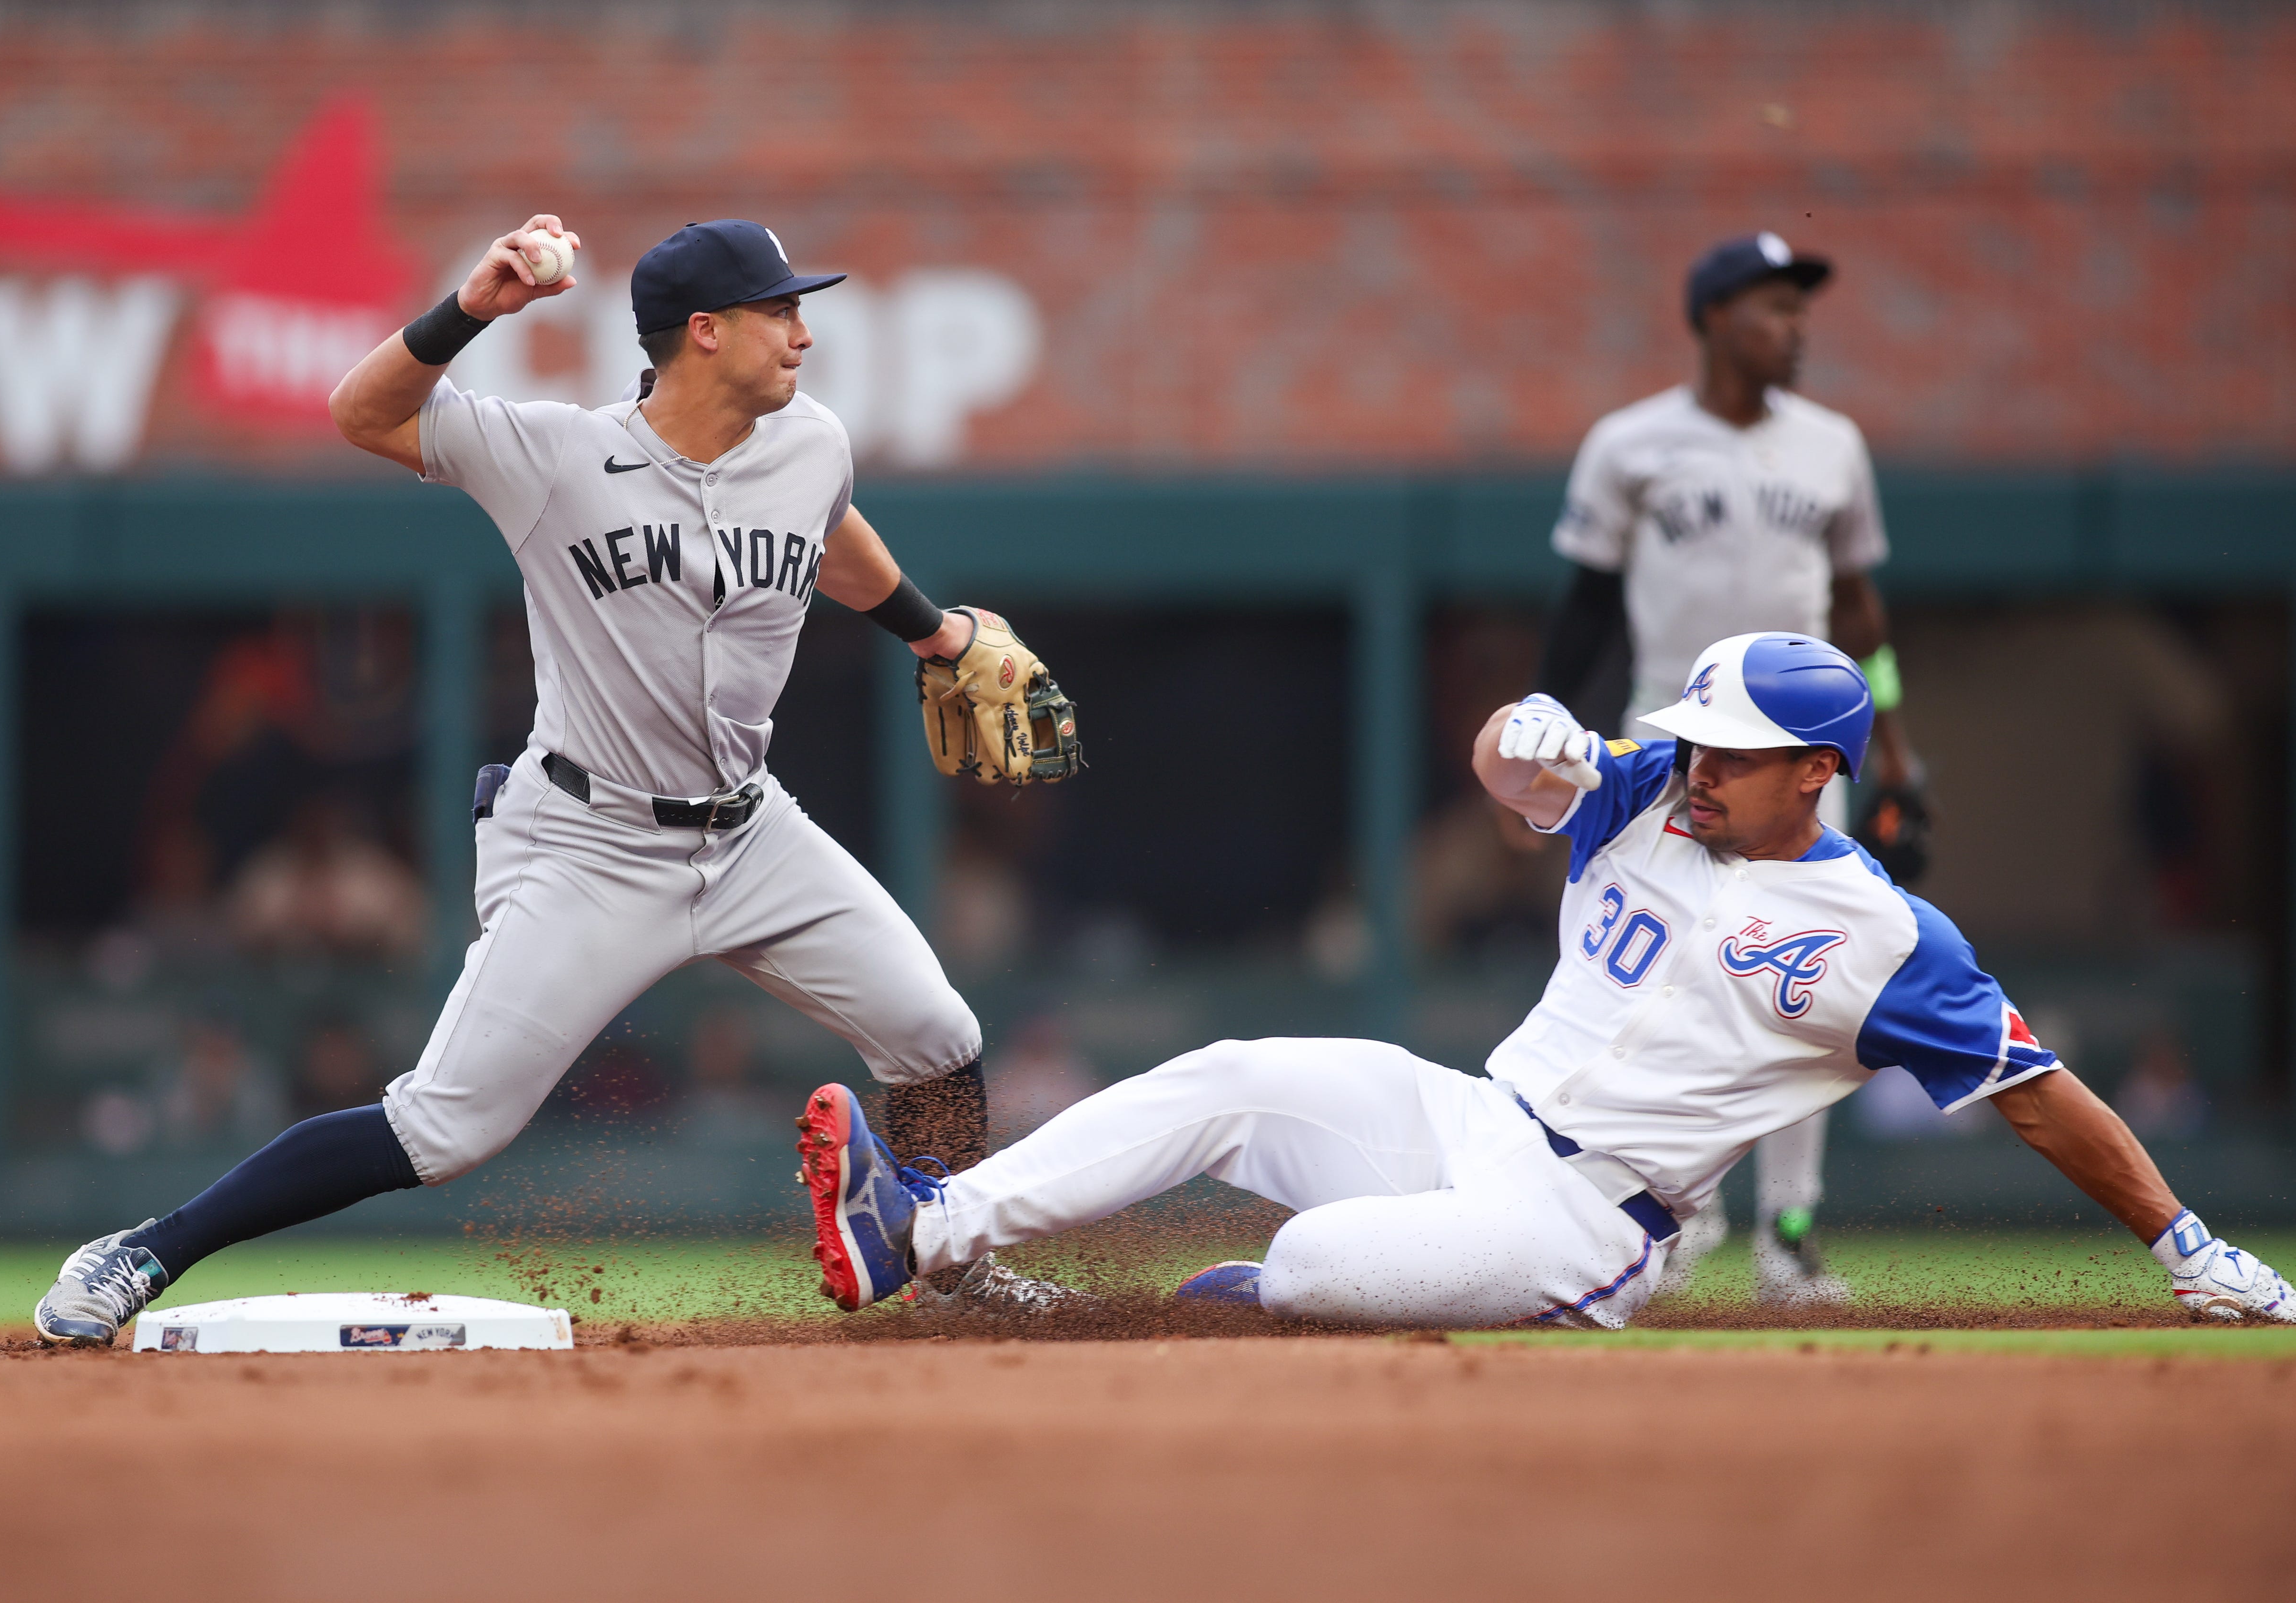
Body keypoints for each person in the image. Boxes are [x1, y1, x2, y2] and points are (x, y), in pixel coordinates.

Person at [33, 215, 1048, 1344]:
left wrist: (936, 634)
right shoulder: (557, 454)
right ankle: (142, 1251)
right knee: (441, 1131)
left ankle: (951, 1262)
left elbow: (827, 530)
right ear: (704, 333)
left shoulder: (811, 441)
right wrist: (473, 308)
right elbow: (359, 412)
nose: (803, 332)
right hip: (588, 842)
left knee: (938, 1036)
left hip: (754, 832)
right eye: (781, 311)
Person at [792, 635, 2293, 1330]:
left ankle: (1314, 1290)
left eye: (1733, 749)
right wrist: (1529, 735)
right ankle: (924, 1221)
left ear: (1814, 773)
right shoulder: (1645, 787)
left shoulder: (1891, 939)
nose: (1698, 763)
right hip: (1474, 1113)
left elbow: (2033, 1093)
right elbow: (1502, 767)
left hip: (1592, 1215)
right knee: (1232, 1069)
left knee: (1314, 1260)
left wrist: (2183, 1239)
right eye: (1693, 735)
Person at [1536, 231, 1925, 1303]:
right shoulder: (1629, 443)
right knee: (1650, 975)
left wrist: (1894, 746)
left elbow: (1860, 613)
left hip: (1802, 758)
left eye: (1801, 308)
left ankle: (1787, 1231)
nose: (1795, 326)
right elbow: (1583, 610)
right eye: (1771, 306)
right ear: (1710, 318)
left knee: (1806, 980)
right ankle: (1662, 1209)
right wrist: (1547, 733)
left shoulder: (1832, 444)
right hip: (1667, 745)